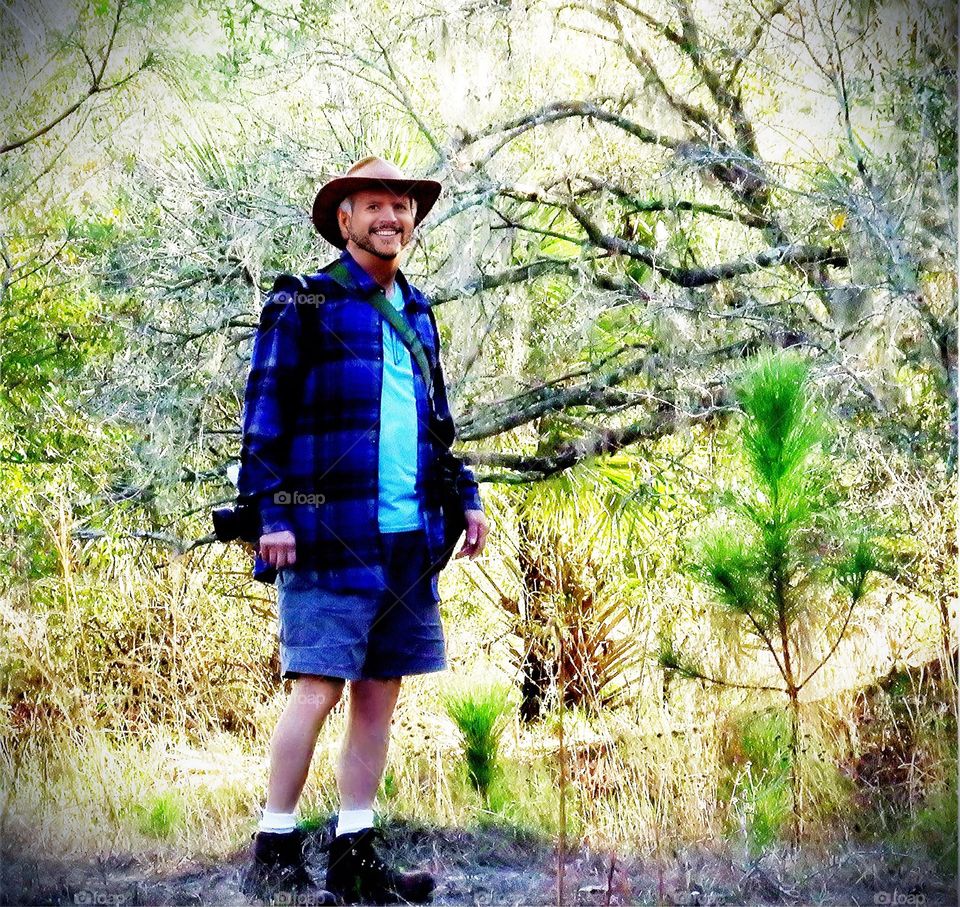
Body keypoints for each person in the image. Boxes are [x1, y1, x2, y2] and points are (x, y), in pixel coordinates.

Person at [236, 155, 490, 903]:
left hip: (408, 539)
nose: (391, 217)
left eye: (402, 206)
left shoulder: (418, 311)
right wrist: (273, 515)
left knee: (380, 694)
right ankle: (275, 851)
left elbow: (437, 430)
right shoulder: (303, 303)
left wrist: (466, 498)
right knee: (317, 685)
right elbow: (264, 418)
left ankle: (355, 851)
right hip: (327, 534)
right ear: (344, 220)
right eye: (375, 205)